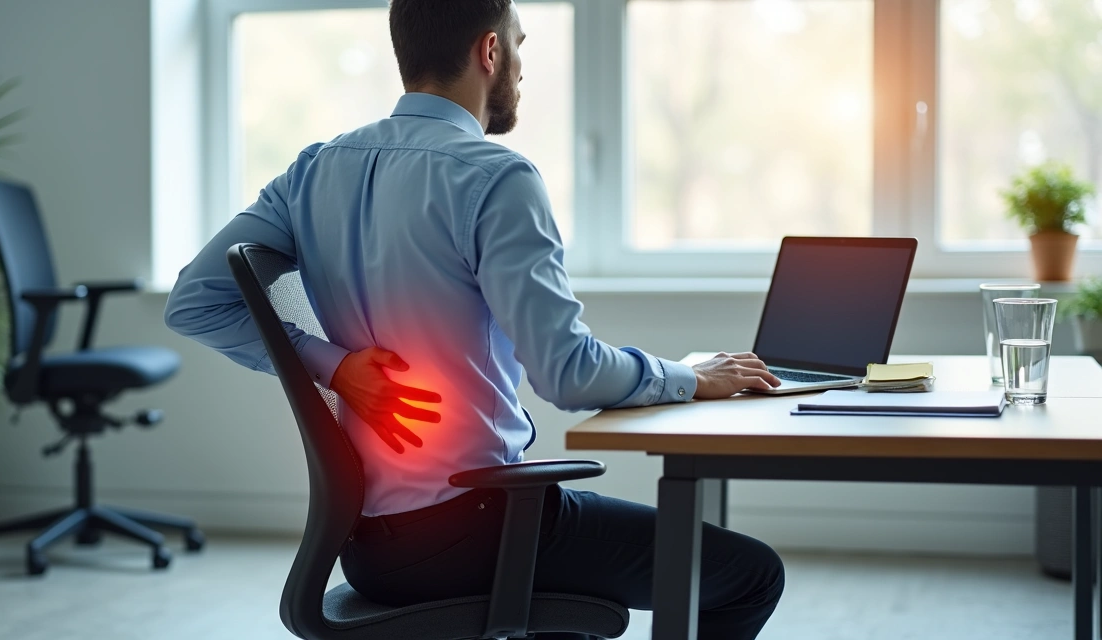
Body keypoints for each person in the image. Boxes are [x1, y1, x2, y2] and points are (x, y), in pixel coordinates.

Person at [165, 1, 785, 637]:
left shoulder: (313, 169)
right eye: (520, 46)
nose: (521, 68)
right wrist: (688, 377)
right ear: (491, 52)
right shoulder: (495, 178)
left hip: (369, 548)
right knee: (751, 573)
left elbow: (194, 301)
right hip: (482, 530)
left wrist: (338, 367)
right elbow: (568, 374)